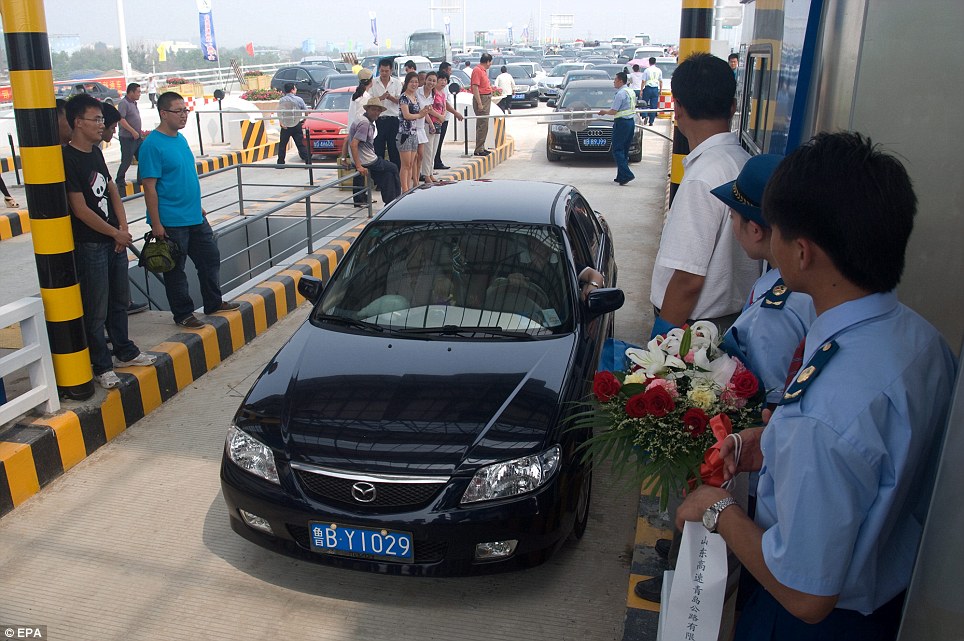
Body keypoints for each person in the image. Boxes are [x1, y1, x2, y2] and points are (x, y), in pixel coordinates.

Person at [676, 132, 957, 641]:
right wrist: (773, 443)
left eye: (776, 228)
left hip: (812, 622)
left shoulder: (823, 411)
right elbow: (881, 462)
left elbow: (806, 594)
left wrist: (717, 509)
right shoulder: (922, 340)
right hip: (891, 602)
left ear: (801, 252)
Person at [649, 52, 758, 338]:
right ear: (733, 106)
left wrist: (661, 342)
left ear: (678, 108)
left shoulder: (700, 179)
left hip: (694, 332)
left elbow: (687, 279)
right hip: (735, 319)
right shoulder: (743, 162)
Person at [62, 94, 156, 389]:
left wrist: (123, 228)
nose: (102, 125)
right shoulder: (67, 158)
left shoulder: (95, 153)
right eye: (97, 120)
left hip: (115, 239)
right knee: (97, 308)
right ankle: (102, 364)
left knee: (119, 301)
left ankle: (124, 351)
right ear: (78, 123)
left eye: (102, 120)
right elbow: (80, 209)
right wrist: (114, 233)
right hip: (91, 243)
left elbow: (112, 190)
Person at [712, 154, 816, 409]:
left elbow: (770, 401)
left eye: (733, 216)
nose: (733, 224)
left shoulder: (775, 312)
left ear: (755, 230)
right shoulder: (800, 277)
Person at [138, 92, 240, 329]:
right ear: (163, 113)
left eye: (185, 110)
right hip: (171, 220)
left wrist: (198, 205)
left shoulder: (180, 139)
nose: (183, 115)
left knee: (210, 258)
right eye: (178, 111)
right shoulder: (152, 145)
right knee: (175, 270)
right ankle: (183, 314)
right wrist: (156, 224)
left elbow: (184, 176)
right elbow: (149, 188)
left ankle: (213, 302)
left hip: (194, 215)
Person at [348, 97, 401, 206]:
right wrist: (358, 166)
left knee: (387, 175)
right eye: (373, 109)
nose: (376, 112)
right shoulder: (365, 124)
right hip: (368, 160)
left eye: (378, 110)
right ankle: (395, 201)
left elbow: (346, 139)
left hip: (364, 159)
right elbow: (354, 144)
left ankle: (388, 202)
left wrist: (345, 158)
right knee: (393, 168)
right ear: (367, 110)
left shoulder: (359, 119)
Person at [597, 71, 636, 186]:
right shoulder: (630, 91)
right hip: (630, 122)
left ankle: (627, 174)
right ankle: (621, 176)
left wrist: (604, 112)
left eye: (615, 80)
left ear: (620, 81)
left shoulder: (620, 94)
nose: (614, 82)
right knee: (624, 150)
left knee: (617, 150)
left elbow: (613, 111)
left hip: (622, 123)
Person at [397, 72, 430, 192]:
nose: (414, 84)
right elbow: (406, 115)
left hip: (414, 133)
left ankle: (409, 187)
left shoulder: (415, 97)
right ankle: (404, 189)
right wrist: (420, 114)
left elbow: (418, 114)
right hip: (404, 134)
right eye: (412, 82)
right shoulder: (403, 98)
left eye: (416, 82)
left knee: (411, 163)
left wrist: (424, 112)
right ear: (406, 83)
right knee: (405, 165)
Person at [345, 68, 374, 207]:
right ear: (371, 80)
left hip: (353, 135)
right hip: (361, 137)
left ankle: (362, 196)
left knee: (360, 169)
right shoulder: (366, 97)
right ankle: (359, 199)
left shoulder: (355, 96)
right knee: (361, 168)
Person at [369, 58, 402, 168]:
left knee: (394, 148)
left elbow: (400, 101)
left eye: (386, 71)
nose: (384, 73)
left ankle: (396, 175)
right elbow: (370, 101)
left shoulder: (396, 83)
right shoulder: (374, 83)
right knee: (379, 148)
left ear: (391, 71)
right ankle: (380, 178)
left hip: (393, 119)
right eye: (382, 71)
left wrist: (390, 97)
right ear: (379, 70)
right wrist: (381, 98)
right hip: (379, 119)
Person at [115, 83, 145, 192]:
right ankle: (120, 180)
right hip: (127, 137)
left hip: (137, 138)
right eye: (138, 92)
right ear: (131, 92)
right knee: (127, 160)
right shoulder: (124, 103)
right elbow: (121, 119)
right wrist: (132, 131)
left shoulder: (133, 103)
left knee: (143, 156)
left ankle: (141, 178)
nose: (139, 94)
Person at [433, 69, 464, 171]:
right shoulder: (433, 92)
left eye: (445, 80)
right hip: (434, 121)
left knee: (438, 143)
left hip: (443, 119)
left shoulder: (443, 91)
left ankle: (436, 162)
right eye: (441, 79)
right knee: (432, 146)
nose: (443, 82)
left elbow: (445, 104)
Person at [276, 82, 310, 165]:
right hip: (296, 123)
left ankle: (280, 163)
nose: (296, 90)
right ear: (292, 90)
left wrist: (281, 122)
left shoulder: (282, 100)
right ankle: (308, 162)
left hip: (286, 125)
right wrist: (305, 120)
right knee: (300, 144)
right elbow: (306, 111)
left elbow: (280, 112)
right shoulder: (299, 99)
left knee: (282, 145)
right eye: (295, 88)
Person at [418, 71, 442, 184]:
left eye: (434, 81)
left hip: (426, 124)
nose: (431, 83)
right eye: (429, 80)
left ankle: (429, 173)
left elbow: (427, 111)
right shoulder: (418, 92)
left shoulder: (432, 95)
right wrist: (439, 117)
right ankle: (425, 175)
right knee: (426, 152)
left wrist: (432, 123)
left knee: (432, 150)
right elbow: (422, 110)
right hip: (417, 125)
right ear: (425, 80)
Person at [470, 53, 494, 156]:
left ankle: (481, 146)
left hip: (486, 98)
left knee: (484, 124)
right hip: (482, 99)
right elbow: (475, 87)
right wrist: (479, 103)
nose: (490, 64)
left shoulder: (483, 71)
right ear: (488, 61)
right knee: (482, 124)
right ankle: (478, 149)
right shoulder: (477, 70)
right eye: (490, 62)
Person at [641, 57, 662, 126]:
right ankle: (651, 121)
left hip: (648, 88)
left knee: (644, 103)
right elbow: (661, 81)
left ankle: (645, 115)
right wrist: (661, 90)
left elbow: (643, 81)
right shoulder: (659, 70)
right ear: (655, 62)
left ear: (649, 62)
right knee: (654, 105)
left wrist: (641, 90)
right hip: (655, 88)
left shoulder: (646, 70)